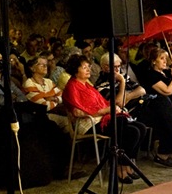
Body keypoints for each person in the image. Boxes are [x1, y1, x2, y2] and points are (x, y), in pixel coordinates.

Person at [61, 55, 147, 184]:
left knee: (140, 128)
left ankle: (126, 165)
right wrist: (108, 110)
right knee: (126, 127)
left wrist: (112, 109)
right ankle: (120, 168)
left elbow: (103, 103)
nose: (88, 70)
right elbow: (80, 112)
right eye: (84, 68)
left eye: (88, 67)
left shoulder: (87, 85)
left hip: (101, 119)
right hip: (88, 123)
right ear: (75, 70)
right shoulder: (72, 86)